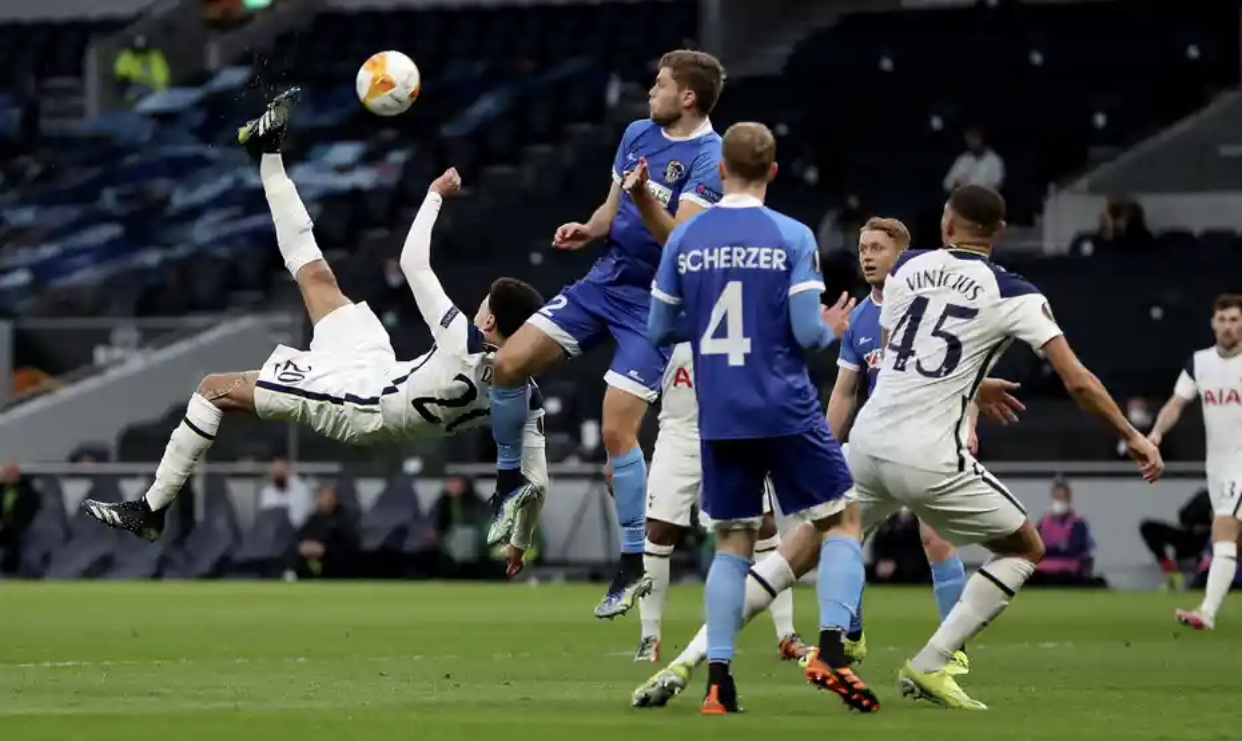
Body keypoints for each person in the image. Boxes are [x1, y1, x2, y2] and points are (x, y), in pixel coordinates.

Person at [82, 89, 548, 573]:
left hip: (358, 404)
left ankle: (151, 508)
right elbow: (538, 480)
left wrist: (433, 195)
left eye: (481, 308)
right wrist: (520, 541)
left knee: (212, 390)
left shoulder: (465, 344)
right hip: (379, 372)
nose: (476, 311)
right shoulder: (527, 394)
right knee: (318, 277)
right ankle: (268, 153)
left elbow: (412, 262)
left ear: (490, 321)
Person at [848, 184, 1162, 710]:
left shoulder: (907, 270)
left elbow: (892, 357)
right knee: (1023, 547)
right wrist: (1132, 435)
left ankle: (708, 659)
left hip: (869, 434)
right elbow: (1078, 382)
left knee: (807, 546)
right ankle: (935, 660)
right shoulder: (1013, 291)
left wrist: (969, 384)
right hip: (928, 448)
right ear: (1001, 232)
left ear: (946, 224)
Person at [647, 121, 877, 714]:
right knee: (842, 519)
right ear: (773, 171)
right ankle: (830, 647)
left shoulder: (685, 239)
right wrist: (829, 330)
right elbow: (805, 332)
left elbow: (659, 330)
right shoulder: (792, 236)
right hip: (783, 402)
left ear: (719, 170)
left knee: (733, 542)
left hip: (719, 408)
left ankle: (718, 682)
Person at [488, 50, 727, 619]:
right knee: (505, 364)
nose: (652, 90)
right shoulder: (637, 133)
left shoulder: (709, 157)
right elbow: (612, 204)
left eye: (661, 84)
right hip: (605, 281)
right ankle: (508, 481)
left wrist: (646, 197)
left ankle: (631, 562)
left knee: (618, 430)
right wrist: (590, 227)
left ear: (687, 97)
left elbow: (680, 243)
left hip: (657, 304)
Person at [826, 216, 970, 674]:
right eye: (862, 247)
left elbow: (967, 373)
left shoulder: (933, 310)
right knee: (839, 534)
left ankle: (952, 649)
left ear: (902, 256)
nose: (867, 255)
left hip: (931, 436)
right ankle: (850, 634)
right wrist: (826, 449)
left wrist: (968, 425)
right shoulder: (859, 320)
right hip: (875, 443)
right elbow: (845, 391)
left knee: (936, 539)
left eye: (877, 248)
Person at [634, 341, 815, 663]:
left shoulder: (737, 311)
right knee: (659, 529)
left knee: (764, 525)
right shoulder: (664, 320)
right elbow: (634, 384)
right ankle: (650, 637)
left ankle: (786, 634)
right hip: (680, 435)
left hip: (734, 431)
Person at [1147, 293, 1242, 630]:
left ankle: (1207, 612)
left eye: (1234, 319)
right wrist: (1155, 435)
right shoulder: (1199, 362)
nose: (1228, 326)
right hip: (1217, 466)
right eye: (1223, 320)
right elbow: (1176, 403)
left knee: (1224, 532)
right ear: (1213, 323)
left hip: (1240, 466)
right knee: (1231, 539)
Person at [1030, 481, 1104, 587]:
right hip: (1043, 570)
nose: (1058, 502)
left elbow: (1073, 549)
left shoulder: (1078, 523)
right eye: (1056, 498)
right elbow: (1035, 547)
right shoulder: (1044, 523)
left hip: (1068, 571)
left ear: (1069, 499)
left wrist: (1048, 549)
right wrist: (1059, 548)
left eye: (1062, 498)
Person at [1138, 488, 1212, 590]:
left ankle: (1202, 576)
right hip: (1192, 536)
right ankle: (1170, 570)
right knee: (1148, 527)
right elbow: (1184, 517)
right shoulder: (1206, 495)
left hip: (1215, 541)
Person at [288, 483, 358, 579]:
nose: (324, 500)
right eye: (320, 496)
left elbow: (348, 545)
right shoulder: (313, 519)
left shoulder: (344, 519)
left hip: (336, 567)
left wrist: (325, 549)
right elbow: (298, 537)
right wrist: (304, 547)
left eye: (327, 495)